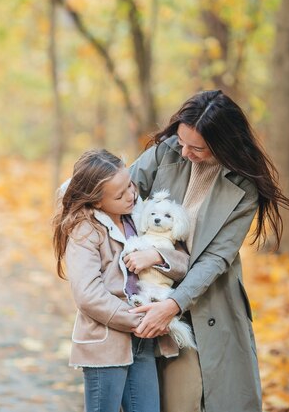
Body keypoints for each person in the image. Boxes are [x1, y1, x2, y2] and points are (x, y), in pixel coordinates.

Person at [128, 90, 289, 412]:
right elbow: (121, 196)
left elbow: (216, 257)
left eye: (197, 148)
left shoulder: (244, 185)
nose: (185, 152)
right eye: (181, 141)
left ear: (224, 144)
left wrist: (173, 304)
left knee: (192, 398)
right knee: (148, 398)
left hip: (205, 298)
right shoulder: (167, 151)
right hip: (144, 286)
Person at [52, 149, 189, 412]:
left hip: (143, 342)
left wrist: (156, 256)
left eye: (130, 185)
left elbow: (184, 263)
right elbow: (88, 295)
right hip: (106, 344)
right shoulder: (86, 230)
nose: (132, 195)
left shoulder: (141, 218)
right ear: (97, 201)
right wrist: (141, 320)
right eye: (119, 194)